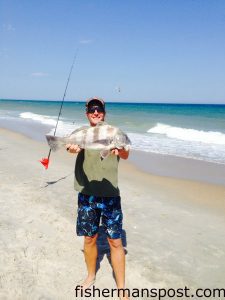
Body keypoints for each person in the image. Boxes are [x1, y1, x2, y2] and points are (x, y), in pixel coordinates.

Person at [66, 97, 130, 300]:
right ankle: (90, 276)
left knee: (116, 242)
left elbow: (126, 153)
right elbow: (70, 147)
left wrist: (119, 148)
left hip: (110, 194)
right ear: (87, 113)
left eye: (99, 109)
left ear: (104, 112)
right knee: (89, 237)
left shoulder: (113, 132)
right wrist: (71, 148)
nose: (95, 112)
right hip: (87, 193)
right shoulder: (82, 133)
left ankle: (121, 288)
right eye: (92, 109)